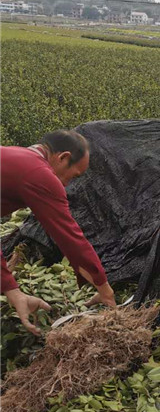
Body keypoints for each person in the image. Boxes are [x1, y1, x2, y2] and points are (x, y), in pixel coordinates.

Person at [1, 130, 116, 335]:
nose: (66, 184)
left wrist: (12, 290)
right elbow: (70, 237)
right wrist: (104, 289)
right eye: (73, 176)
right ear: (63, 157)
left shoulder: (18, 157)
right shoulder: (38, 173)